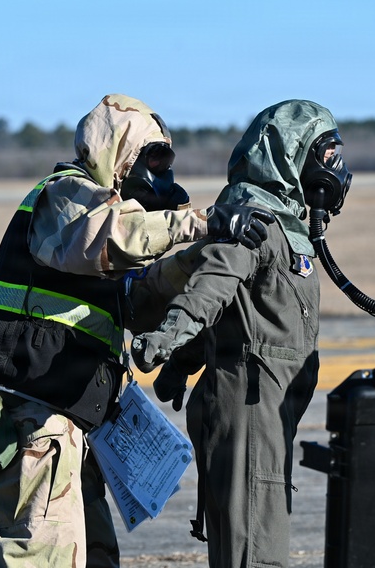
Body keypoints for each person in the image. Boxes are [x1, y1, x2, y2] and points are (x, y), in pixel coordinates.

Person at [0, 94, 275, 568]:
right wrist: (200, 223)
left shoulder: (102, 235)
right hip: (32, 420)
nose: (160, 174)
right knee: (42, 559)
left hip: (67, 423)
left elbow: (136, 300)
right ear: (116, 153)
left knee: (93, 557)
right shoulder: (67, 197)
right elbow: (107, 237)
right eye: (150, 160)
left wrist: (201, 257)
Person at [130, 99, 351, 568]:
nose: (336, 168)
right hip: (249, 405)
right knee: (254, 552)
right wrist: (166, 342)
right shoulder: (252, 222)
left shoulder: (290, 228)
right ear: (290, 154)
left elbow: (238, 310)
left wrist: (181, 365)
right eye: (326, 154)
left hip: (270, 409)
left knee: (260, 539)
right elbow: (212, 289)